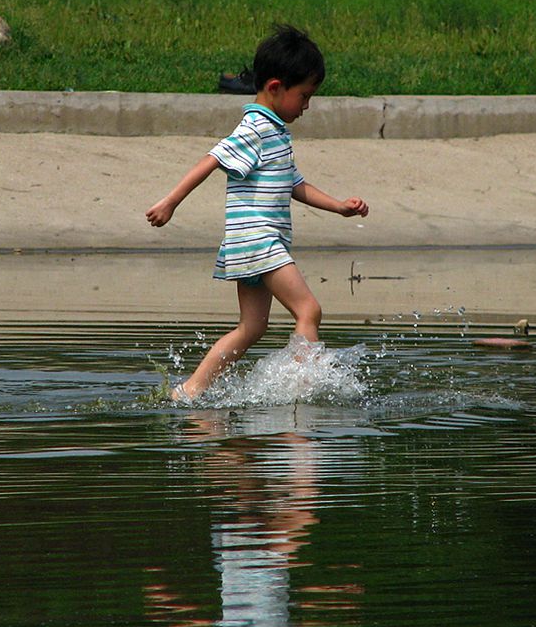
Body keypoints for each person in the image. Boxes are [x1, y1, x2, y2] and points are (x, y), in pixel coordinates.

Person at [145, 24, 369, 401]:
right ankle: (301, 394)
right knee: (309, 310)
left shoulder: (276, 130)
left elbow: (294, 184)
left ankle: (189, 391)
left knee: (252, 327)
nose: (307, 106)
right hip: (259, 240)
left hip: (250, 243)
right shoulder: (256, 126)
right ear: (276, 87)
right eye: (305, 96)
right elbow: (213, 158)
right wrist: (171, 201)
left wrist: (339, 207)